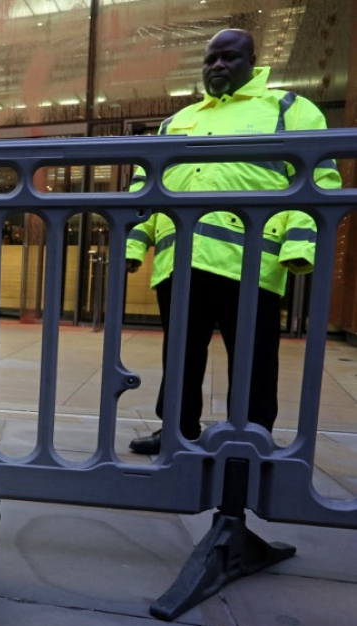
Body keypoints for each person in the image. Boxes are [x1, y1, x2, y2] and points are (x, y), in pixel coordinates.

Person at [126, 28, 342, 455]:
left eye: (228, 57)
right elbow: (145, 186)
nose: (218, 66)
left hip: (251, 264)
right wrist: (135, 244)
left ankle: (251, 435)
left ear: (253, 61)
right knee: (181, 356)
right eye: (210, 60)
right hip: (181, 260)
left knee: (254, 359)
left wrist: (298, 247)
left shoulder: (289, 108)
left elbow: (318, 179)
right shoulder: (177, 121)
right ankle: (176, 430)